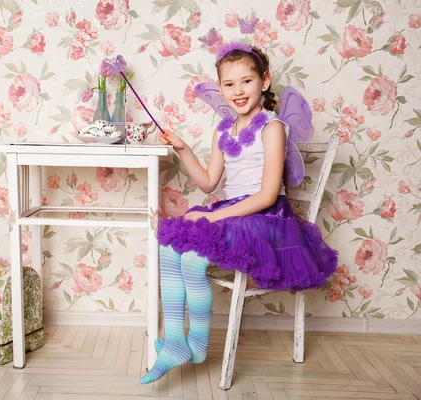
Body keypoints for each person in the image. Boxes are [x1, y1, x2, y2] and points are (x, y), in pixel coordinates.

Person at [140, 42, 338, 384]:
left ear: (264, 81)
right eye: (229, 84)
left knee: (193, 259)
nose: (238, 91)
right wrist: (185, 149)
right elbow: (207, 183)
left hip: (267, 218)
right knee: (169, 247)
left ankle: (198, 344)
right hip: (233, 211)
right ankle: (175, 342)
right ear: (220, 89)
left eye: (246, 81)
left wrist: (212, 218)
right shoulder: (222, 131)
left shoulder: (271, 128)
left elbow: (265, 195)